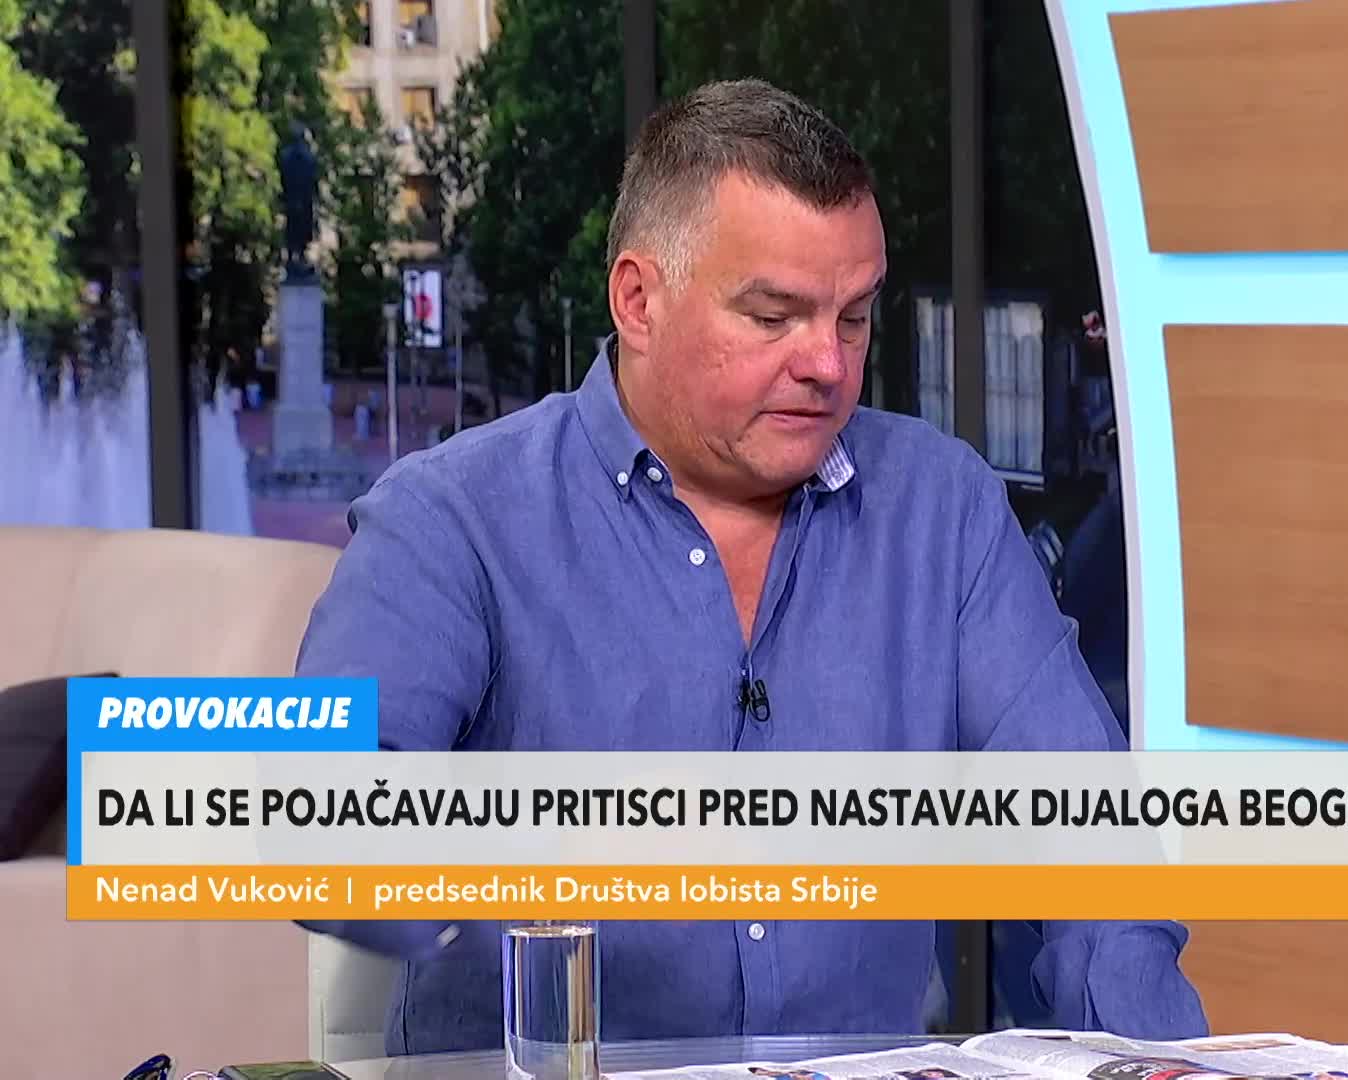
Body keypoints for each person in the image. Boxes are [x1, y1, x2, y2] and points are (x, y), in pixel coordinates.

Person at [295, 78, 1207, 1055]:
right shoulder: (452, 518)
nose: (827, 364)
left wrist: (1155, 1063)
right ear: (638, 302)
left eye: (852, 317)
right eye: (774, 317)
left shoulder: (944, 512)